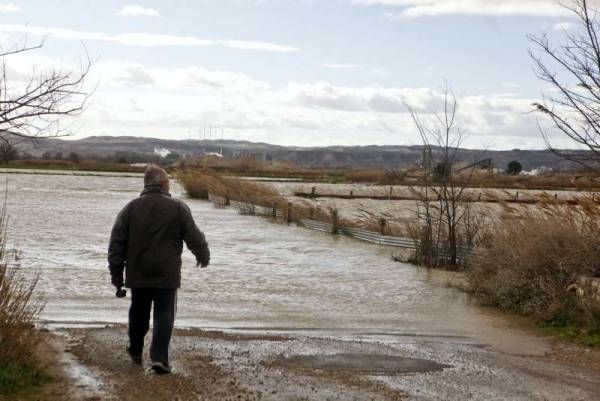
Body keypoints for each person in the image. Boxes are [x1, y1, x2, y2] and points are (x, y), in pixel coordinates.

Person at [108, 164, 210, 374]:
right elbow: (194, 236)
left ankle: (135, 350)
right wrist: (203, 255)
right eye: (168, 182)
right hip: (167, 274)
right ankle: (160, 358)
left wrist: (116, 274)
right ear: (164, 184)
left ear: (146, 184)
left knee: (138, 312)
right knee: (164, 314)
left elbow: (117, 243)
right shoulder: (178, 207)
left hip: (138, 272)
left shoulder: (130, 208)